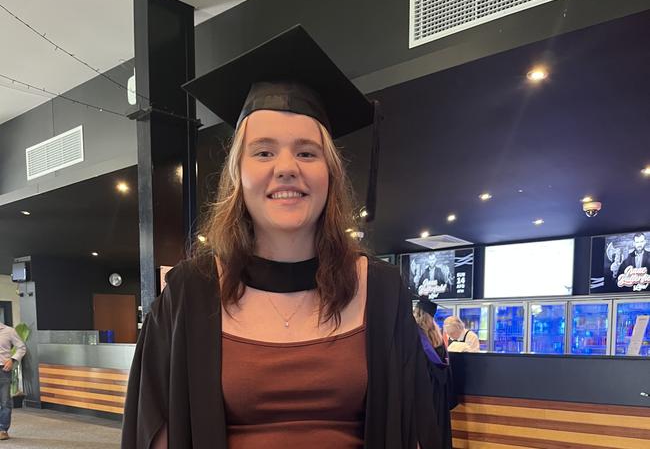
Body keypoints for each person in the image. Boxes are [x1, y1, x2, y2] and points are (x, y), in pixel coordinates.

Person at [122, 26, 442, 448]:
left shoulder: (380, 291)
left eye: (307, 152)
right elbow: (156, 431)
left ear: (329, 173)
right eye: (264, 151)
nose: (287, 167)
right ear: (238, 174)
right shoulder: (189, 293)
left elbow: (414, 428)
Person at [413, 298, 455, 449]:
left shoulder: (413, 335)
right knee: (438, 425)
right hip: (438, 392)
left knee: (423, 429)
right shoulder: (438, 337)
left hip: (422, 391)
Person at [0, 322, 26, 441]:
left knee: (5, 401)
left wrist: (12, 360)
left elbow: (21, 347)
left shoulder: (9, 331)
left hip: (3, 370)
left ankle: (3, 430)